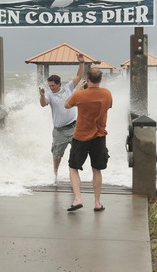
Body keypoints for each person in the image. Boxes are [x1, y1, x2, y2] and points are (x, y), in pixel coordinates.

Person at [64, 68, 112, 212]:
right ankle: (97, 203)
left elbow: (66, 105)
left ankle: (78, 199)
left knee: (73, 167)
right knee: (97, 169)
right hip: (99, 136)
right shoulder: (107, 93)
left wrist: (77, 90)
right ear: (100, 80)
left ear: (87, 79)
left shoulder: (80, 95)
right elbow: (108, 106)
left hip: (81, 136)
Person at [39, 53, 85, 183]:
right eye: (49, 86)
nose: (51, 88)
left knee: (76, 153)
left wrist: (81, 63)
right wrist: (42, 95)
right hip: (59, 130)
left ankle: (74, 176)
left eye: (53, 85)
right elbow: (43, 104)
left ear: (59, 84)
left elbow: (78, 76)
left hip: (73, 127)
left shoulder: (68, 88)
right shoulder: (49, 94)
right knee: (56, 155)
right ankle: (55, 174)